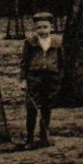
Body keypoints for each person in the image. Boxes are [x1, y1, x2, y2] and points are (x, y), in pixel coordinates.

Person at [19, 12, 62, 149]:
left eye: (45, 27)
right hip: (34, 78)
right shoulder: (30, 43)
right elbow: (24, 62)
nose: (42, 30)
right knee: (31, 108)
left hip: (51, 78)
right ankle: (30, 138)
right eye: (39, 27)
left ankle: (44, 137)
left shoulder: (57, 42)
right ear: (35, 29)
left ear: (51, 28)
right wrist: (23, 80)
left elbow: (62, 62)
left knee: (46, 108)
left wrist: (59, 77)